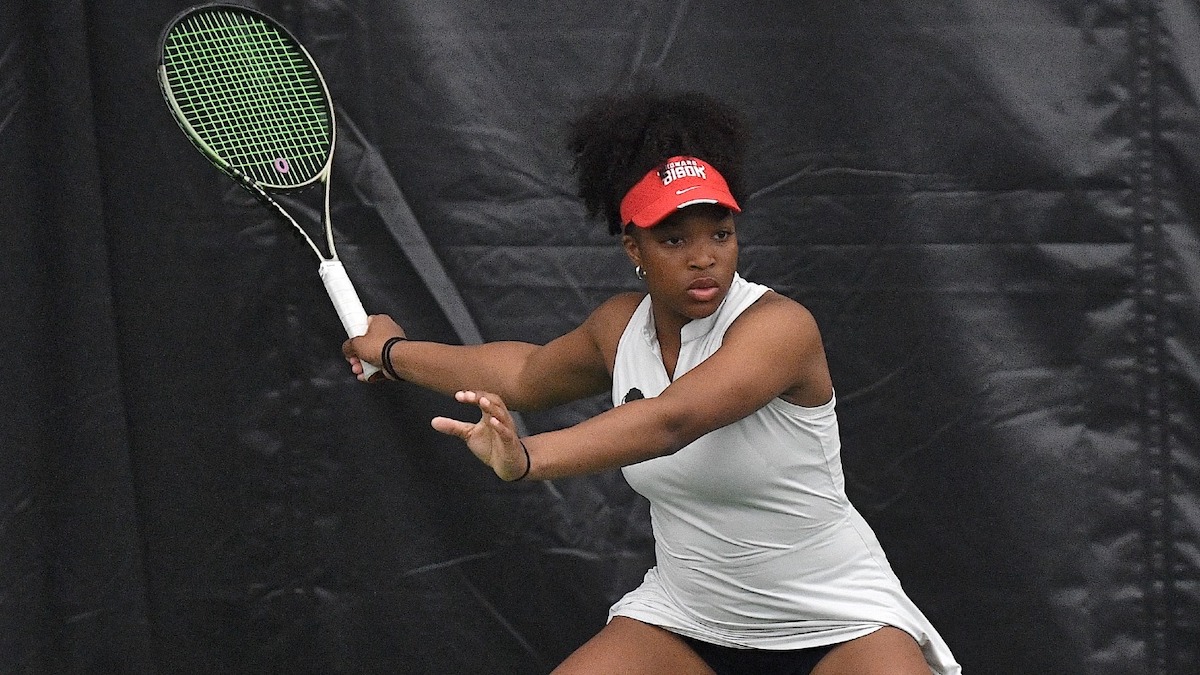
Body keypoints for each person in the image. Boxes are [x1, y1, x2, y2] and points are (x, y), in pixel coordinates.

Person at [343, 91, 961, 675]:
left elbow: (671, 421)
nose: (705, 257)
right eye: (674, 239)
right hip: (688, 620)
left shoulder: (779, 328)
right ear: (632, 246)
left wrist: (526, 457)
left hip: (840, 625)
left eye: (720, 233)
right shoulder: (619, 329)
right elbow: (524, 374)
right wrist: (392, 351)